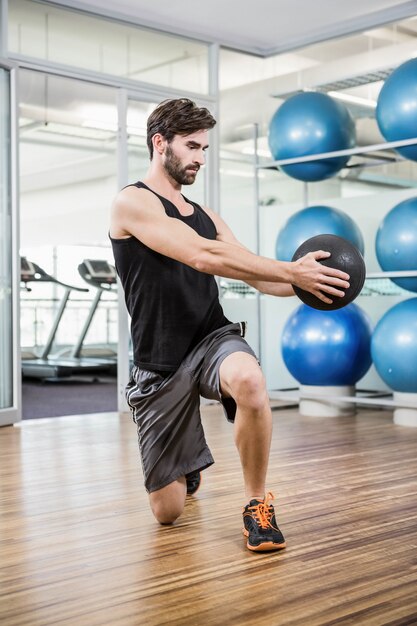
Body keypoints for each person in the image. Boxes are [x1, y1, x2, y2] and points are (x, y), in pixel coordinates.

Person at [109, 98, 350, 552]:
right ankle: (186, 463)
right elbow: (203, 255)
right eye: (192, 146)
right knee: (168, 513)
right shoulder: (132, 203)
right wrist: (291, 271)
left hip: (211, 338)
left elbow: (254, 274)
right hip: (158, 362)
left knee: (249, 380)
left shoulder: (208, 216)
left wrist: (313, 286)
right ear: (160, 143)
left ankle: (256, 504)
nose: (200, 157)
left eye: (205, 148)